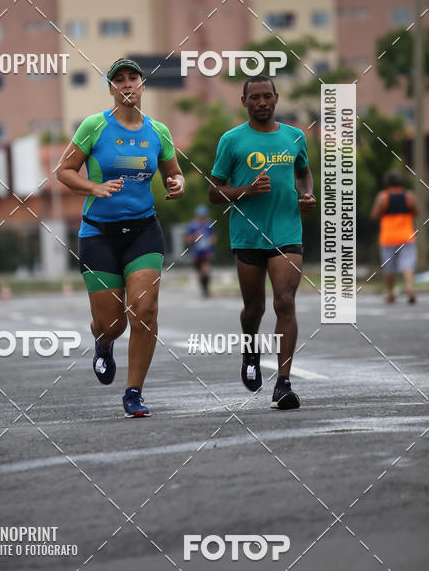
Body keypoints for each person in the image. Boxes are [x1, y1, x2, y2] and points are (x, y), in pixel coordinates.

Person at [56, 58, 184, 417]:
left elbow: (174, 172)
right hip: (99, 235)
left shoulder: (158, 131)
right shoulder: (94, 126)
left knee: (145, 310)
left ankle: (133, 392)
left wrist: (178, 183)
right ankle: (103, 342)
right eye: (119, 80)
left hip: (143, 233)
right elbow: (64, 171)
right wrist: (94, 187)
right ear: (111, 88)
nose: (127, 84)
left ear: (142, 85)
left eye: (133, 78)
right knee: (112, 324)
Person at [208, 76, 315, 410]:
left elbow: (304, 172)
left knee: (285, 301)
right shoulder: (232, 140)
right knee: (254, 308)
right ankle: (250, 350)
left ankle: (283, 384)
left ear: (276, 98)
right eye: (255, 97)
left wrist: (307, 194)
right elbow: (214, 192)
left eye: (267, 96)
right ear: (244, 102)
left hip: (287, 232)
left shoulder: (295, 136)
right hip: (248, 234)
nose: (262, 102)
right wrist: (246, 191)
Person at [370, 170, 418, 304]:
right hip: (407, 236)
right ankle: (410, 288)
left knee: (389, 267)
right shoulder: (409, 196)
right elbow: (416, 212)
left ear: (388, 183)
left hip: (388, 238)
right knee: (408, 264)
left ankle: (391, 293)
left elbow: (374, 215)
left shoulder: (383, 197)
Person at [184, 205, 217, 297]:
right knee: (200, 272)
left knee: (206, 269)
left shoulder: (209, 224)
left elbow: (213, 236)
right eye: (200, 216)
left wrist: (211, 242)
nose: (202, 219)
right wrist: (194, 237)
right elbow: (187, 239)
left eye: (204, 217)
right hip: (196, 252)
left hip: (206, 251)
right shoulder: (192, 226)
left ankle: (206, 289)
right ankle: (204, 288)